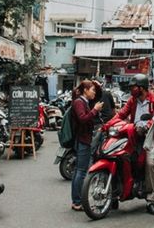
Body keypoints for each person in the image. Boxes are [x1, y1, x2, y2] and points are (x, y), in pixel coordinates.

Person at [105, 74, 154, 215]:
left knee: (149, 163)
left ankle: (150, 199)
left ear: (141, 88)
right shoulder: (132, 100)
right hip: (133, 135)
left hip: (149, 137)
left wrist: (147, 126)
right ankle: (115, 193)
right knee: (119, 157)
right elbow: (121, 115)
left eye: (133, 87)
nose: (131, 90)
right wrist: (107, 125)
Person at [70, 80, 104, 211]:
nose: (94, 92)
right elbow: (83, 119)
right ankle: (77, 201)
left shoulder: (83, 101)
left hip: (83, 139)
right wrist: (95, 110)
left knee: (78, 171)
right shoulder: (79, 102)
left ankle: (76, 200)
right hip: (83, 139)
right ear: (85, 90)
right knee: (81, 171)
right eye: (92, 90)